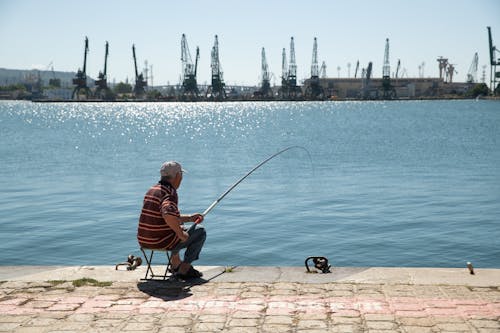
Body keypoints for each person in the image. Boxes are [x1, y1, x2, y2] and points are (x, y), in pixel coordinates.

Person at [137, 161, 206, 279]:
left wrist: (190, 218)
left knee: (178, 226)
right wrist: (181, 234)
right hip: (161, 241)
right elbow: (168, 214)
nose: (181, 179)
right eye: (181, 176)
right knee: (200, 232)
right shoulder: (170, 193)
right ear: (177, 176)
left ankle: (175, 264)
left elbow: (165, 216)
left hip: (144, 240)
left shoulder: (152, 190)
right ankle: (184, 269)